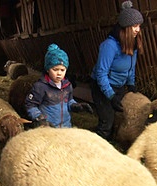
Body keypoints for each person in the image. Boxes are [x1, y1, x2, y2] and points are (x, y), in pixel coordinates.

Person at [90, 0, 144, 141]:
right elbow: (101, 74)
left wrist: (131, 84)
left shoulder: (133, 43)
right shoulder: (109, 46)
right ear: (125, 27)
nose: (138, 29)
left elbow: (131, 67)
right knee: (107, 122)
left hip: (118, 86)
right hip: (102, 87)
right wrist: (111, 96)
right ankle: (95, 148)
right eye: (134, 26)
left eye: (139, 26)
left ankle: (110, 146)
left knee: (117, 119)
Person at [25, 43, 93, 128]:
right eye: (55, 69)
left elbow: (69, 101)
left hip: (66, 127)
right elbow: (30, 105)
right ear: (47, 69)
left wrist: (76, 106)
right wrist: (39, 117)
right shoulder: (40, 87)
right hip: (48, 128)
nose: (59, 73)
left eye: (62, 70)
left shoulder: (67, 86)